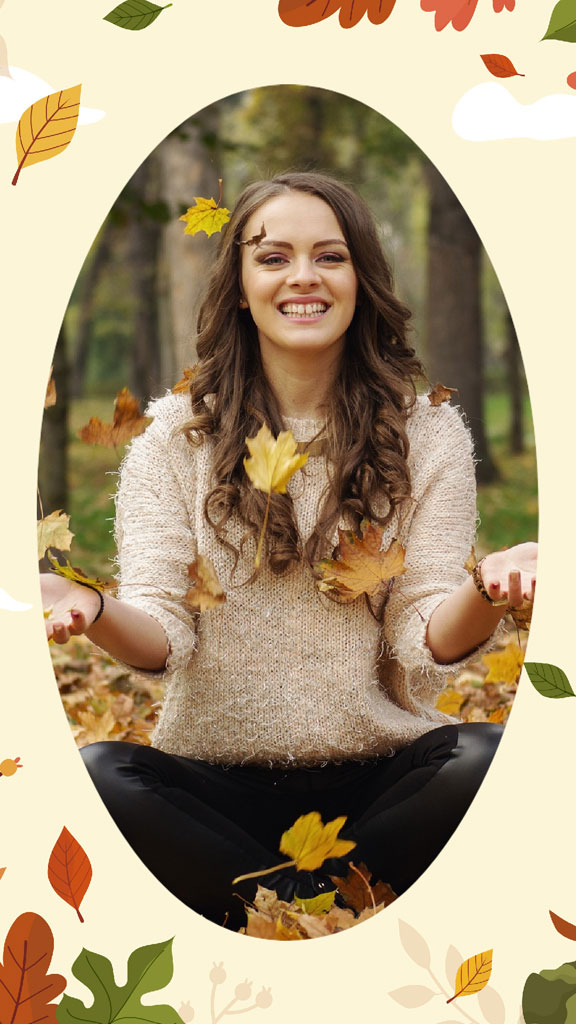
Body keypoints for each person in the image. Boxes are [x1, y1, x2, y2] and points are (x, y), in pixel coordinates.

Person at [41, 172, 537, 930]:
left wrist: (491, 589)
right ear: (240, 286)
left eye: (329, 257)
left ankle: (287, 918)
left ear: (361, 278)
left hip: (382, 789)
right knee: (102, 775)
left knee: (492, 758)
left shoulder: (430, 434)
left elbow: (426, 635)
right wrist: (96, 608)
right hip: (216, 797)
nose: (302, 276)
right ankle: (316, 915)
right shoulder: (173, 441)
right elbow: (161, 636)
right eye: (273, 257)